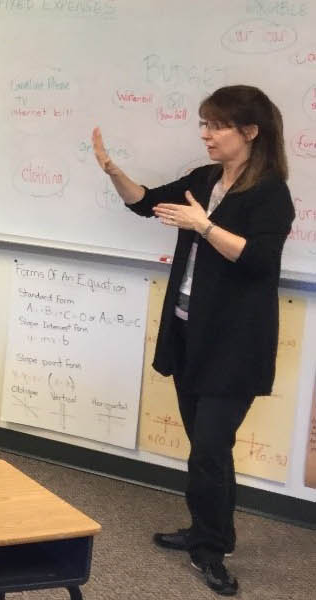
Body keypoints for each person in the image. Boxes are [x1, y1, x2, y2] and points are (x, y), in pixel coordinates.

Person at [91, 84, 292, 596]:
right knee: (206, 451)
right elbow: (147, 204)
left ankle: (211, 550)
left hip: (235, 343)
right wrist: (115, 173)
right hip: (188, 332)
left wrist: (204, 226)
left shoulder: (270, 191)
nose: (205, 135)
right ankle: (208, 531)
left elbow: (259, 260)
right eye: (203, 124)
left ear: (250, 132)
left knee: (208, 450)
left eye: (216, 126)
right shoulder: (204, 179)